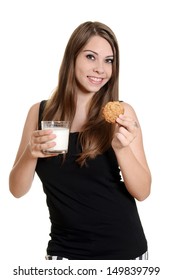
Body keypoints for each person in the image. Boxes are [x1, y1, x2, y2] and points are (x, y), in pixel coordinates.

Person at [9, 21, 151, 260]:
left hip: (123, 251)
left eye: (109, 60)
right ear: (71, 58)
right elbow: (16, 189)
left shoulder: (121, 113)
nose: (100, 69)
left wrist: (121, 149)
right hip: (64, 252)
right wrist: (30, 153)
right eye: (90, 57)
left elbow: (143, 191)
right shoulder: (40, 113)